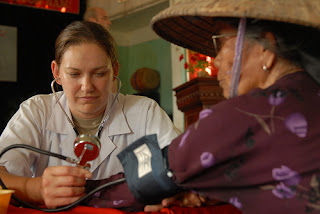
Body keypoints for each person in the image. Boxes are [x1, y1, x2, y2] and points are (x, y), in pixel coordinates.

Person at [118, 0, 320, 213]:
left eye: (221, 43)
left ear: (264, 48)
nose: (215, 61)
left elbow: (142, 180)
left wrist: (85, 186)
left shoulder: (245, 114)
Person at [0, 21, 184, 211]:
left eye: (99, 73)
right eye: (74, 74)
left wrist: (171, 193)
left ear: (115, 71)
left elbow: (185, 166)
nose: (87, 86)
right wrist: (33, 189)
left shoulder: (145, 112)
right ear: (57, 73)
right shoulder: (36, 111)